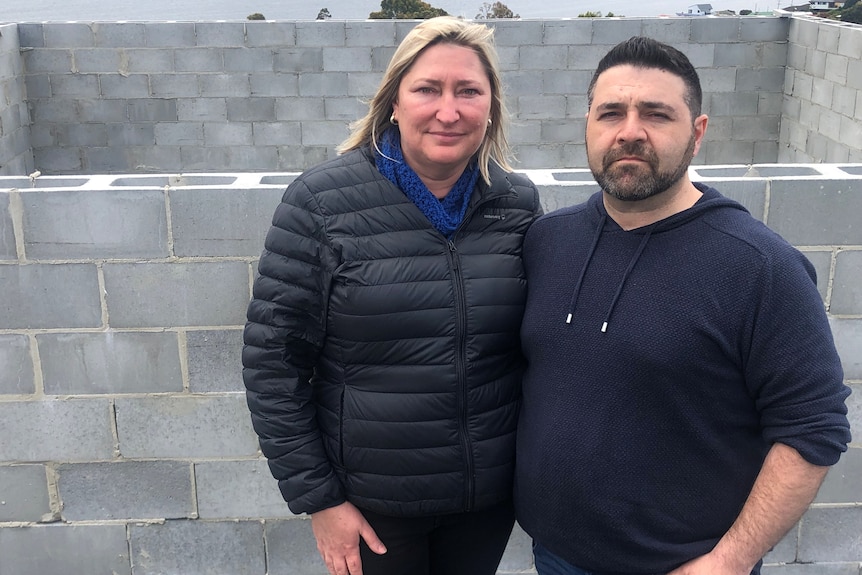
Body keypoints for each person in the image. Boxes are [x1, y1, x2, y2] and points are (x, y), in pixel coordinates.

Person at [515, 36, 851, 575]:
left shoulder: (759, 266)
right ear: (587, 127)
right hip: (556, 555)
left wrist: (730, 562)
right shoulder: (548, 242)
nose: (630, 131)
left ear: (697, 133)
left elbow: (814, 428)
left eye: (656, 114)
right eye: (611, 113)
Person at [242, 16, 542, 575]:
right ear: (395, 102)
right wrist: (321, 500)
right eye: (428, 89)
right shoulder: (321, 203)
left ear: (491, 107)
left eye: (469, 92)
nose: (448, 111)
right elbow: (272, 364)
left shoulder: (517, 204)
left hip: (485, 502)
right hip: (374, 508)